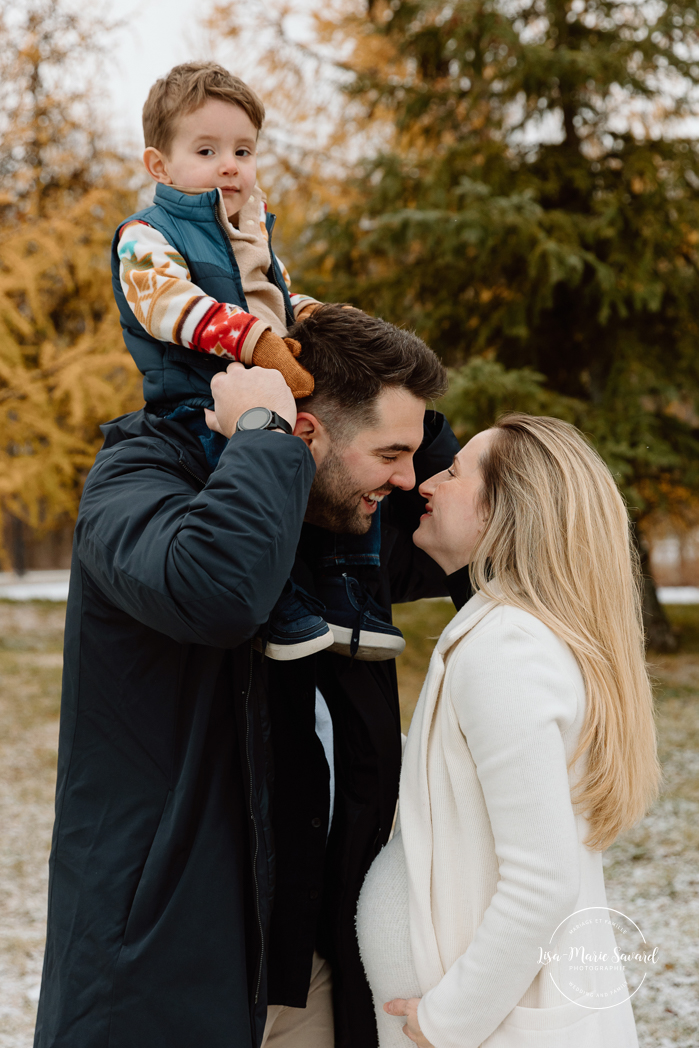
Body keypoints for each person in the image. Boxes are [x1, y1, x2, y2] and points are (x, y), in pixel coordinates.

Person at [33, 302, 458, 1048]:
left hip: (310, 967)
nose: (407, 478)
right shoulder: (137, 478)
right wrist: (262, 439)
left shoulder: (341, 521)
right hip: (163, 968)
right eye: (391, 452)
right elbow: (217, 592)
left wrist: (373, 358)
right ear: (303, 430)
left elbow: (460, 546)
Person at [357, 414, 661, 1048]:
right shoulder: (516, 633)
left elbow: (540, 883)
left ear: (502, 510)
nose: (427, 484)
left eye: (454, 470)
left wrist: (444, 1022)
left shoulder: (507, 649)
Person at [113, 59, 404, 662]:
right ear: (159, 165)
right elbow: (169, 305)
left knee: (336, 448)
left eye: (243, 151)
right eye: (207, 149)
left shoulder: (252, 233)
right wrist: (256, 343)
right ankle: (280, 600)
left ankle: (346, 585)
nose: (229, 165)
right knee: (256, 466)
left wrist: (321, 316)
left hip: (272, 384)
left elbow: (278, 303)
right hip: (200, 397)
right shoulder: (146, 234)